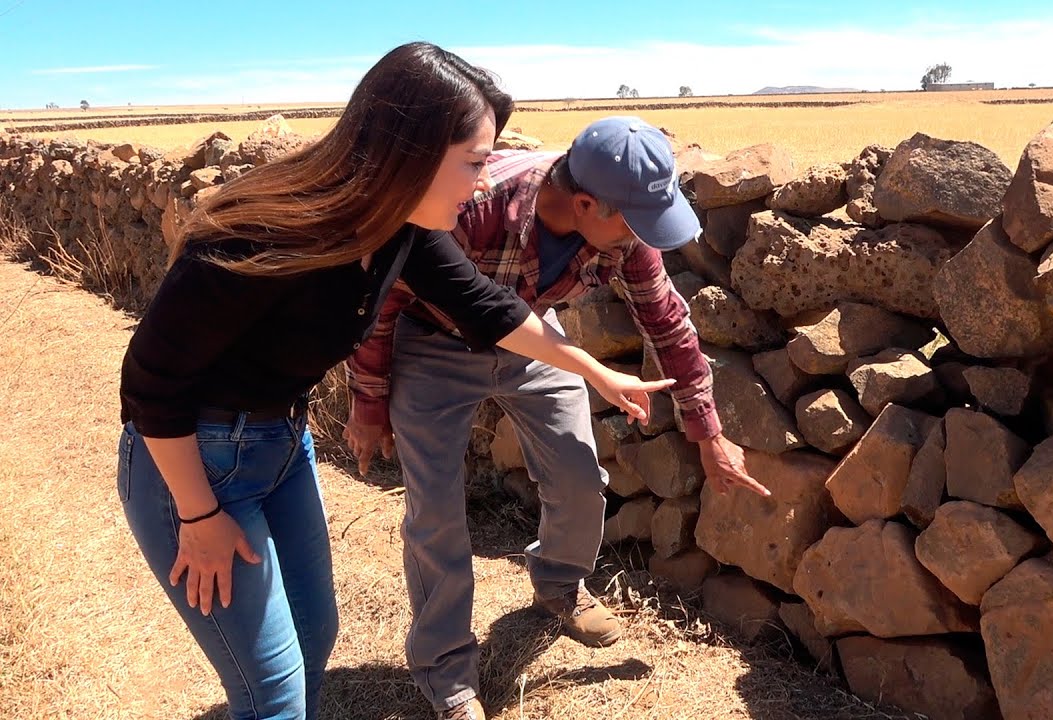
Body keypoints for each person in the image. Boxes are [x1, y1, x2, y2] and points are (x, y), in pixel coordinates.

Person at [116, 45, 669, 720]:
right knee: (273, 694)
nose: (485, 181)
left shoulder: (402, 229)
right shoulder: (259, 236)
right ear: (409, 151)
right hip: (195, 464)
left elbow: (486, 306)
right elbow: (150, 386)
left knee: (315, 640)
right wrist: (199, 517)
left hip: (281, 447)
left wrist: (595, 371)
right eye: (472, 161)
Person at [344, 115, 771, 720]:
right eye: (632, 222)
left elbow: (668, 324)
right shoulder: (474, 205)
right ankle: (446, 671)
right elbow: (383, 296)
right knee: (435, 508)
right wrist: (369, 403)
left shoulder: (624, 234)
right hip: (434, 339)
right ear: (586, 203)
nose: (642, 237)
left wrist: (708, 433)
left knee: (576, 469)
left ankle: (560, 584)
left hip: (534, 338)